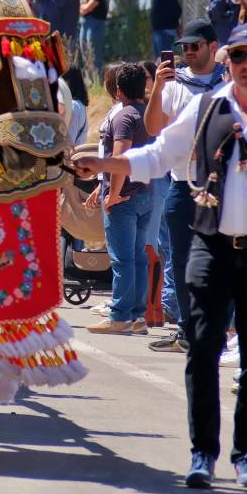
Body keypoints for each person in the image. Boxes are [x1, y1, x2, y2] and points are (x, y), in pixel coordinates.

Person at [77, 21, 247, 486]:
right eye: (236, 58)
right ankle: (203, 454)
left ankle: (246, 456)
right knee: (202, 350)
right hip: (209, 246)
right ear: (228, 62)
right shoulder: (204, 108)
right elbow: (157, 155)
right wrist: (105, 163)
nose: (244, 66)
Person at [142, 18, 226, 354]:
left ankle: (216, 331)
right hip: (182, 184)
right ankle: (188, 332)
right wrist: (158, 90)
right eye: (184, 47)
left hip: (220, 185)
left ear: (212, 47)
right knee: (180, 262)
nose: (188, 52)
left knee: (220, 261)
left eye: (195, 46)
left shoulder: (227, 82)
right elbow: (152, 129)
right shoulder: (175, 84)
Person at [88, 62, 154, 335]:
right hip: (145, 193)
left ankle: (119, 316)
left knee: (122, 259)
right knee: (138, 258)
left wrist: (113, 194)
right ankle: (137, 316)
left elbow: (119, 159)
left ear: (118, 90)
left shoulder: (124, 116)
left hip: (124, 196)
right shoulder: (148, 114)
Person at [78, 0, 110, 71]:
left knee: (94, 54)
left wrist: (83, 9)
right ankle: (89, 82)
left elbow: (88, 7)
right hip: (84, 22)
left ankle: (98, 81)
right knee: (85, 54)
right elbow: (81, 6)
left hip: (96, 24)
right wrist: (82, 9)